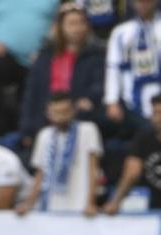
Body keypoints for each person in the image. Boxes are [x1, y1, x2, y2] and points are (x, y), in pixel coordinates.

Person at [18, 3, 106, 146]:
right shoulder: (45, 56)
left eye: (81, 23)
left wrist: (89, 100)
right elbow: (31, 93)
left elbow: (99, 85)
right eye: (72, 24)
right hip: (45, 121)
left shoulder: (96, 56)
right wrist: (27, 129)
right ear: (60, 27)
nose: (77, 28)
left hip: (79, 120)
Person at [0, 0, 61, 136]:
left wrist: (46, 47)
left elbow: (59, 24)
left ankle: (33, 134)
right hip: (3, 56)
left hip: (42, 57)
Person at [104, 0, 161, 128]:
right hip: (129, 104)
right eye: (139, 1)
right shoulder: (120, 32)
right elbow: (113, 68)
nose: (143, 4)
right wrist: (112, 101)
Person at [17, 93, 103, 215]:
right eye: (56, 112)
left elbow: (93, 169)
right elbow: (40, 174)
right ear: (48, 113)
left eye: (65, 111)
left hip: (80, 206)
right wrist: (28, 204)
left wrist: (91, 203)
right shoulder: (44, 135)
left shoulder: (88, 130)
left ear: (73, 111)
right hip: (51, 206)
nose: (61, 116)